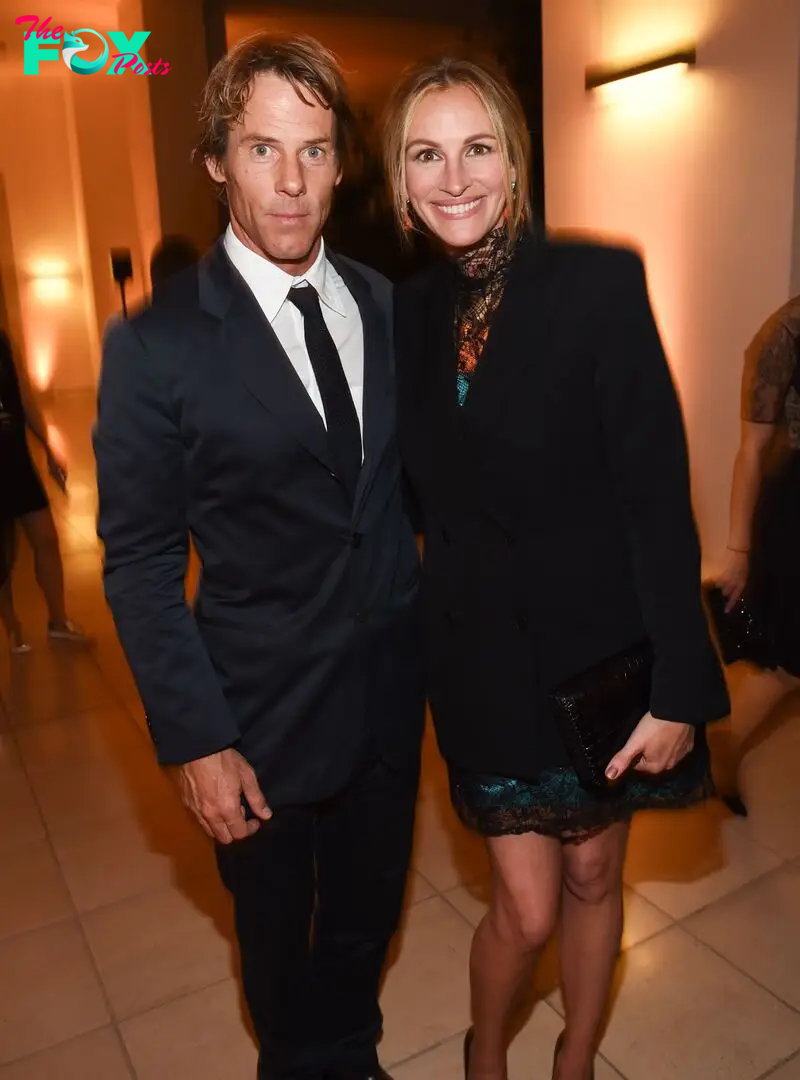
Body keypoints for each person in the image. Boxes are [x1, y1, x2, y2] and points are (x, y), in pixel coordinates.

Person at [384, 58, 730, 1080]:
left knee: (590, 876)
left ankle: (574, 1056)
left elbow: (654, 502)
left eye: (476, 148)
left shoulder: (596, 284)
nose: (454, 178)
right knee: (523, 907)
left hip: (596, 660)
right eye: (425, 154)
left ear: (514, 162)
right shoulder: (398, 317)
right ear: (400, 182)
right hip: (480, 668)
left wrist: (679, 683)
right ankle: (484, 1051)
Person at [94, 33, 424, 1080]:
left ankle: (353, 1054)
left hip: (385, 699)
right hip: (257, 720)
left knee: (367, 920)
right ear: (215, 160)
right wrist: (195, 741)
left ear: (340, 163)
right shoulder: (157, 346)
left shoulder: (384, 303)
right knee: (279, 950)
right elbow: (140, 561)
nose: (290, 183)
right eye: (261, 149)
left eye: (315, 151)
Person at [712, 294, 800, 814]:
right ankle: (725, 745)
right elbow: (752, 453)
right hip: (795, 508)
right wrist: (739, 548)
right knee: (789, 664)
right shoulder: (785, 334)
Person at [0, 330, 90, 652]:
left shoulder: (2, 342)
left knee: (47, 538)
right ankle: (12, 626)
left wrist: (49, 448)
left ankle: (58, 619)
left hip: (15, 459)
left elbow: (23, 399)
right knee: (3, 554)